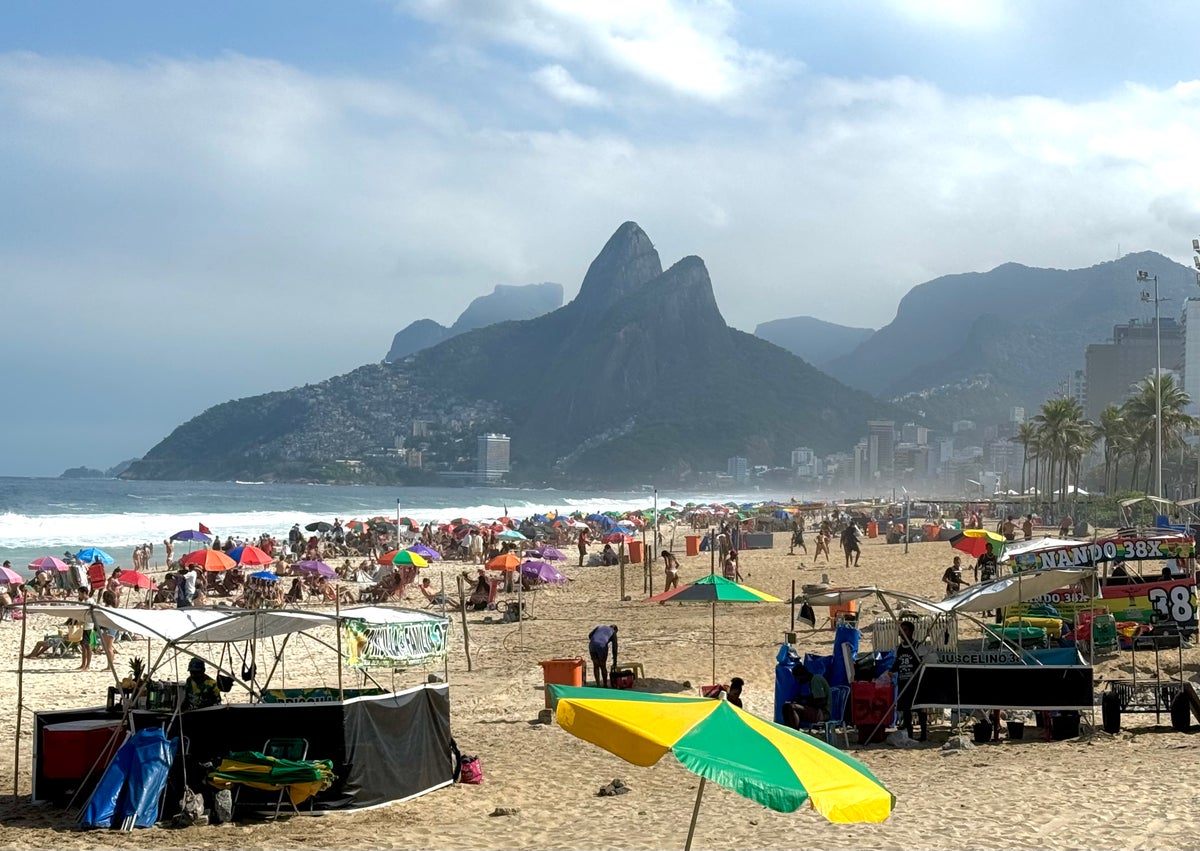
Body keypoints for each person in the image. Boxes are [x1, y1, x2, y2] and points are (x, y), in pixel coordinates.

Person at [895, 621, 928, 741]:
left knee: (919, 709)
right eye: (901, 630)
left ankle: (923, 735)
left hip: (916, 683)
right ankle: (909, 735)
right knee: (906, 710)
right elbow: (896, 664)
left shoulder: (918, 647)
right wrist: (890, 672)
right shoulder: (899, 648)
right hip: (903, 683)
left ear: (911, 631)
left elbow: (925, 663)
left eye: (905, 630)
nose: (902, 632)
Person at [75, 587, 94, 671]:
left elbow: (88, 614)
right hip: (83, 625)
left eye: (79, 593)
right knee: (83, 645)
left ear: (84, 593)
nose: (79, 595)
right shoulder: (84, 602)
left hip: (88, 626)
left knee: (87, 645)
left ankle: (88, 665)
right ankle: (83, 664)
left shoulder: (90, 602)